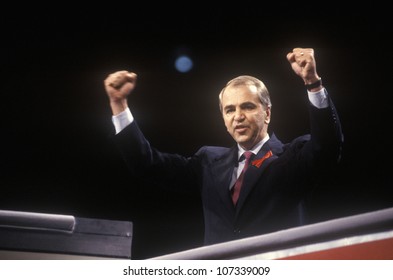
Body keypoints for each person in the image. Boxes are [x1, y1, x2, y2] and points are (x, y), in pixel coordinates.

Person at [103, 47, 343, 246]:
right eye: (230, 110)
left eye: (247, 107)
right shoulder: (208, 162)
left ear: (267, 113)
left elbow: (327, 147)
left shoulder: (291, 156)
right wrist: (119, 104)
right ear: (224, 119)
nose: (238, 116)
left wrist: (312, 83)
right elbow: (147, 164)